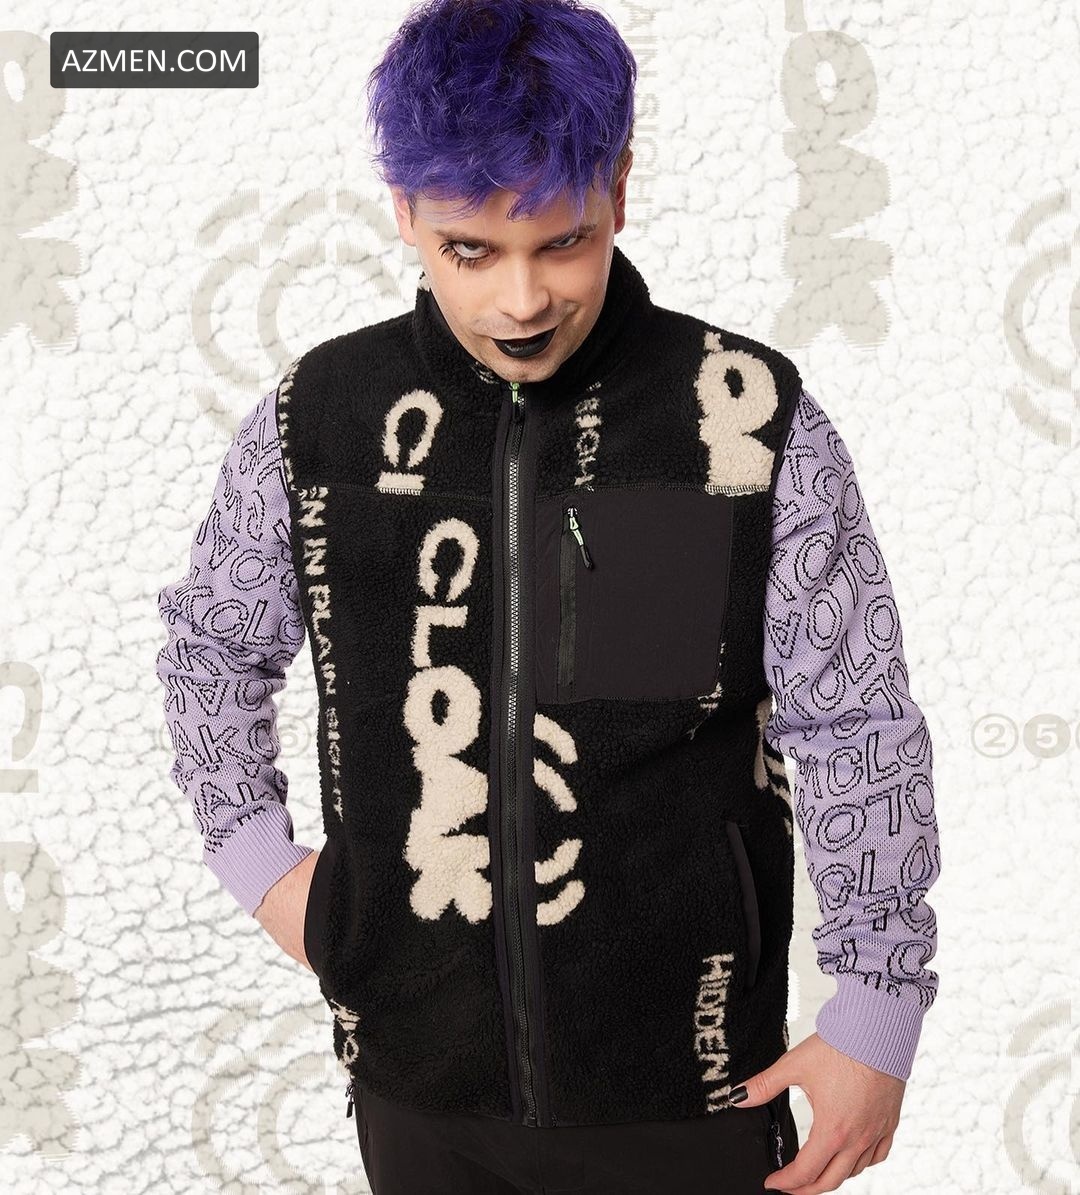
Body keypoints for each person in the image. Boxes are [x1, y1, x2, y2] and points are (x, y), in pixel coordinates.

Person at [155, 1, 941, 1191]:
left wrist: (877, 1004)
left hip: (690, 1085)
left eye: (562, 242)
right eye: (470, 250)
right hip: (418, 1086)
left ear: (618, 188)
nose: (520, 300)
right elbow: (212, 648)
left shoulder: (744, 414)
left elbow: (856, 719)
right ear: (405, 212)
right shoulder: (322, 418)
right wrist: (260, 865)